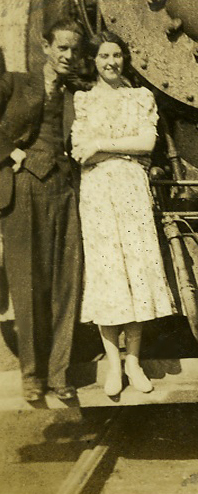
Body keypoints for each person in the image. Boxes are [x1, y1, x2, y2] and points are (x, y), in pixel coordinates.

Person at [71, 31, 175, 397]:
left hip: (132, 191)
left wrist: (102, 144)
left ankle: (134, 360)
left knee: (135, 272)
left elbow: (147, 143)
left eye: (116, 55)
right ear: (94, 62)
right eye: (103, 57)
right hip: (99, 193)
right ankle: (113, 363)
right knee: (108, 273)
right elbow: (81, 152)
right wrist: (117, 149)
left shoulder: (139, 97)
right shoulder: (83, 101)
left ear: (124, 59)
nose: (111, 62)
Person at [0, 19, 86, 402]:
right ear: (46, 47)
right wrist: (9, 152)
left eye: (74, 51)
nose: (68, 57)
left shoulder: (77, 93)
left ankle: (58, 373)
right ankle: (32, 375)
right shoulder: (17, 83)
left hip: (64, 188)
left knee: (66, 284)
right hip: (23, 187)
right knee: (27, 281)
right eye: (62, 48)